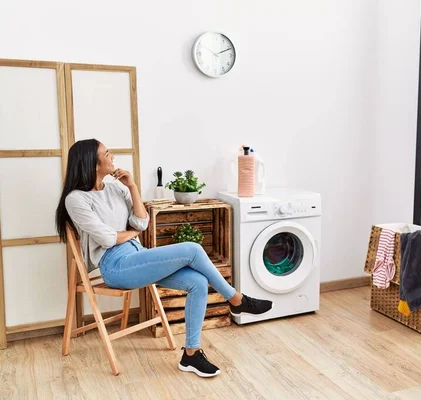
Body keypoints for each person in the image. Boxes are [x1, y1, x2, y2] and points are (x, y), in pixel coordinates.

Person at [55, 139, 272, 378]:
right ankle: (236, 299)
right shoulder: (76, 199)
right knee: (191, 248)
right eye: (107, 153)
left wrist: (133, 187)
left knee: (198, 283)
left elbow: (141, 222)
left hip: (137, 256)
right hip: (115, 266)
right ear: (93, 164)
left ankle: (190, 354)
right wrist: (131, 234)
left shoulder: (116, 188)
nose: (112, 155)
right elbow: (107, 238)